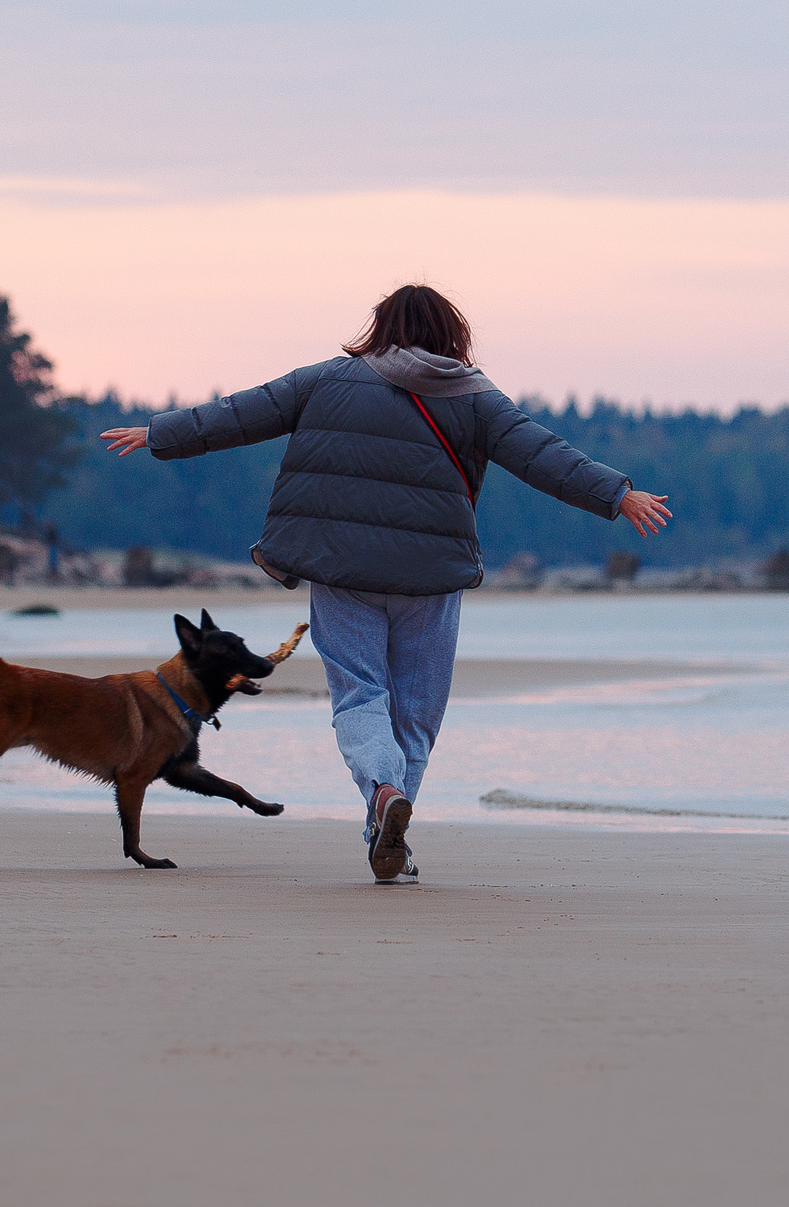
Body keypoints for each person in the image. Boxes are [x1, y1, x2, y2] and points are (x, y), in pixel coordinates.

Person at [102, 284, 670, 885]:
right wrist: (617, 494)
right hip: (429, 579)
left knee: (361, 695)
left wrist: (159, 434)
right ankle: (389, 818)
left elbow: (243, 412)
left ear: (380, 326)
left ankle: (383, 791)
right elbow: (542, 454)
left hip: (343, 573)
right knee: (417, 711)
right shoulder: (475, 397)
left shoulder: (328, 380)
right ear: (453, 332)